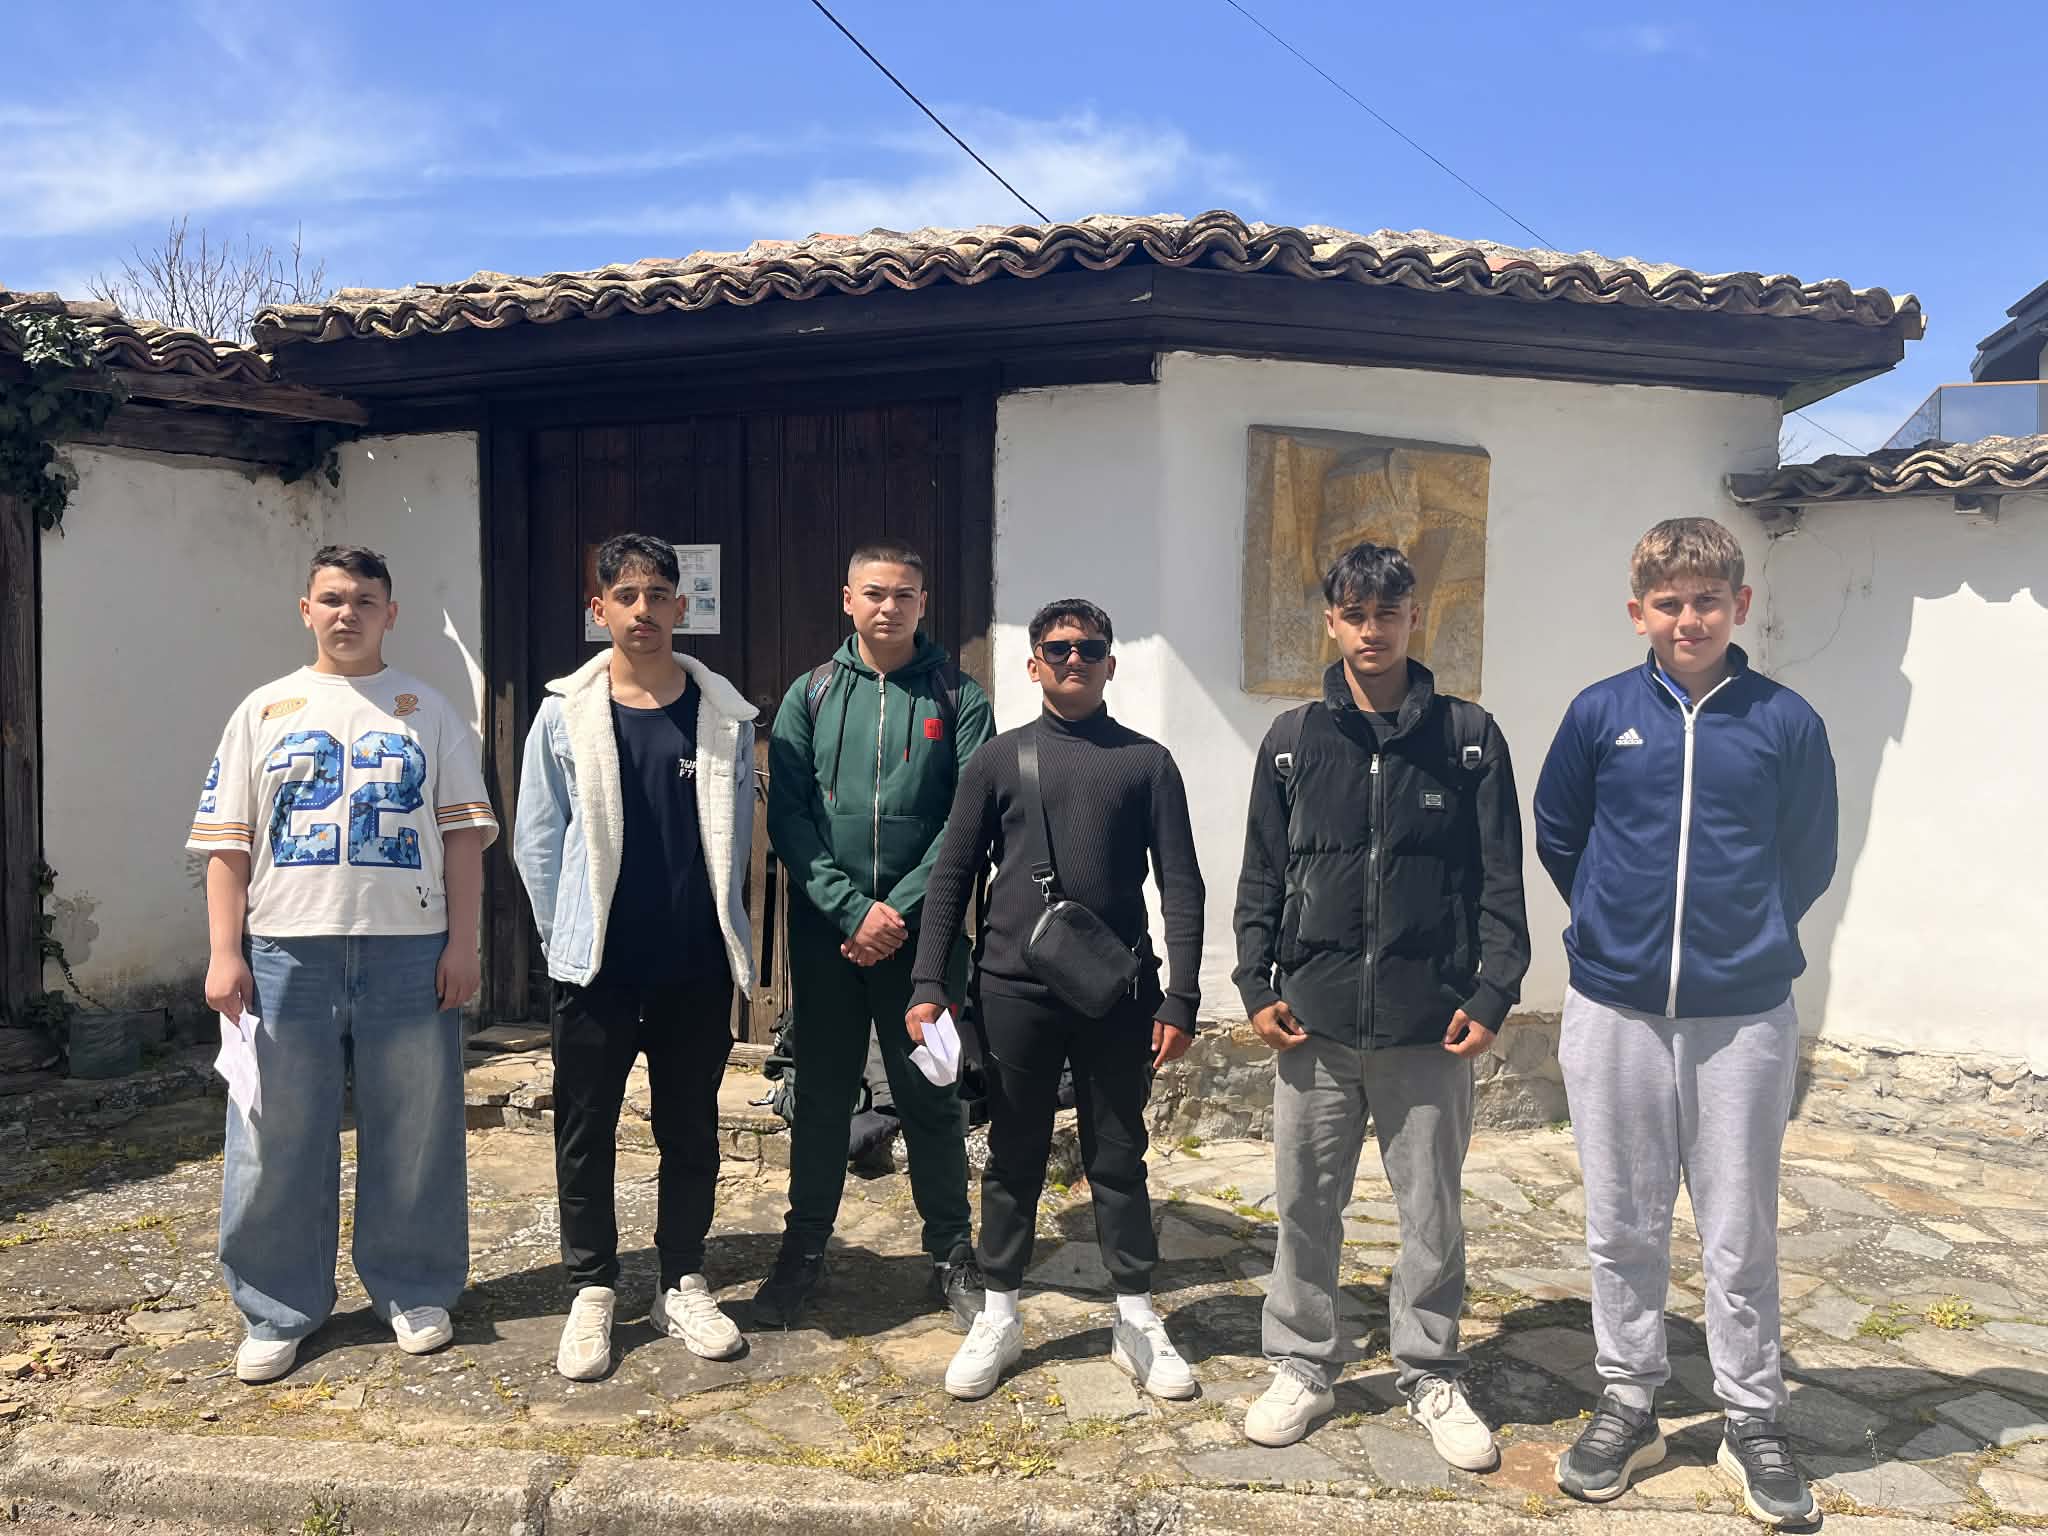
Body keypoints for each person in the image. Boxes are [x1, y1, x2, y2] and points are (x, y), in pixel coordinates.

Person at [1535, 517, 1838, 1525]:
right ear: (1638, 612)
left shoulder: (1784, 721)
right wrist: (1614, 928)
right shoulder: (1598, 713)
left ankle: (1751, 1414)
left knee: (1738, 1227)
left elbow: (1808, 855)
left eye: (1707, 600)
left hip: (1742, 1014)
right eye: (1667, 602)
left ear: (1738, 605)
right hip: (1614, 1006)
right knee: (1621, 1219)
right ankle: (1629, 1400)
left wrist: (1742, 936)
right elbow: (1559, 832)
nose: (1688, 619)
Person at [1231, 542, 1529, 1466]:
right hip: (1313, 1023)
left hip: (1427, 1025)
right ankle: (1301, 1362)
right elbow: (1262, 874)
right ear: (1332, 622)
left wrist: (1493, 991)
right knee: (1303, 1205)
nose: (1372, 631)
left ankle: (1430, 1368)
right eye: (1355, 615)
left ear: (1413, 618)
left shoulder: (1468, 737)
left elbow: (1501, 881)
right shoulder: (1292, 742)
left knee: (1432, 1212)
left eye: (1387, 614)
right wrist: (1254, 984)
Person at [190, 544, 497, 1384]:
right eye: (332, 598)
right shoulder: (263, 710)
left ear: (390, 613)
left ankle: (414, 1287)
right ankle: (276, 1305)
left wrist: (463, 944)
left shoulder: (429, 711)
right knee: (275, 1132)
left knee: (416, 1126)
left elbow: (463, 839)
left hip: (410, 950)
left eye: (364, 600)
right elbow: (227, 844)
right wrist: (224, 952)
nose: (347, 613)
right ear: (306, 610)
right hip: (287, 951)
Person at [906, 599, 1206, 1403]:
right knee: (1013, 1156)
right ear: (1034, 663)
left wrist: (1181, 996)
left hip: (1118, 993)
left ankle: (1135, 1317)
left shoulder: (1147, 764)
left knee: (1119, 1155)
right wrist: (929, 984)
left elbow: (1181, 883)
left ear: (1111, 663)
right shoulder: (998, 761)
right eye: (1059, 648)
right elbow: (951, 875)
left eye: (1090, 648)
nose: (1075, 659)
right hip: (1014, 991)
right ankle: (1000, 1313)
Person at [512, 533, 760, 1381]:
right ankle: (592, 1286)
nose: (643, 610)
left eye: (658, 595)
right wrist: (567, 940)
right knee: (585, 1128)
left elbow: (735, 838)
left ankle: (682, 1278)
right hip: (598, 969)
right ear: (600, 609)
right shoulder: (564, 714)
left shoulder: (722, 714)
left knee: (690, 1127)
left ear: (682, 607)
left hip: (693, 963)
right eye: (626, 595)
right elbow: (537, 840)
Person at [754, 542, 995, 1329]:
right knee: (822, 1096)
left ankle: (951, 1253)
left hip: (926, 942)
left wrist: (899, 911)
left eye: (904, 595)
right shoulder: (812, 694)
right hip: (828, 936)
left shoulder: (959, 696)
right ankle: (803, 1250)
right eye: (875, 593)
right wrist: (850, 909)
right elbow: (789, 817)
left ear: (924, 603)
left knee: (933, 1089)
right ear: (847, 599)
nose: (889, 607)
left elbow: (968, 818)